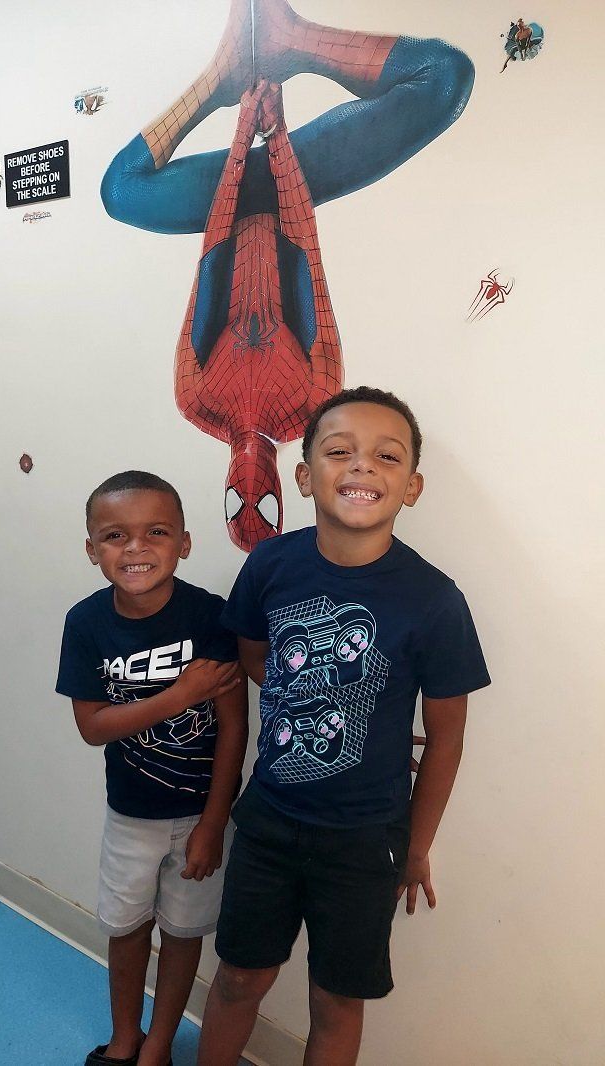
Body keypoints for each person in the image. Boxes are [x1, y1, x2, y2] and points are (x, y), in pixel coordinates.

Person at [100, 0, 475, 552]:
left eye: (238, 504)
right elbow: (304, 251)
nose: (251, 490)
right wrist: (274, 138)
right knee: (445, 77)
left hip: (225, 191)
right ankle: (294, 39)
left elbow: (213, 256)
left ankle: (218, 77)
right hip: (295, 178)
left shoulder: (197, 401)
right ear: (287, 490)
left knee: (120, 192)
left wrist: (241, 133)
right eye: (265, 505)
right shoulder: (312, 403)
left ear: (222, 496)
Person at [197, 387, 491, 1065]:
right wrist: (322, 696)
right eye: (339, 451)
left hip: (365, 841)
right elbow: (256, 656)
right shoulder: (270, 564)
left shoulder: (435, 600)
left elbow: (446, 738)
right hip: (269, 821)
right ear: (305, 477)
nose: (362, 466)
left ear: (411, 486)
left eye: (387, 456)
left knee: (335, 1001)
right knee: (239, 978)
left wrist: (416, 847)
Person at [56, 471, 248, 1066]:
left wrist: (213, 823)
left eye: (156, 532)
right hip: (130, 816)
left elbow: (234, 729)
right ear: (92, 550)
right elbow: (93, 727)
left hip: (201, 816)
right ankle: (124, 1039)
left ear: (184, 543)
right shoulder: (85, 623)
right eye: (115, 535)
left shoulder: (212, 618)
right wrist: (179, 695)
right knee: (126, 929)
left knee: (184, 934)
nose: (136, 547)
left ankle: (158, 1046)